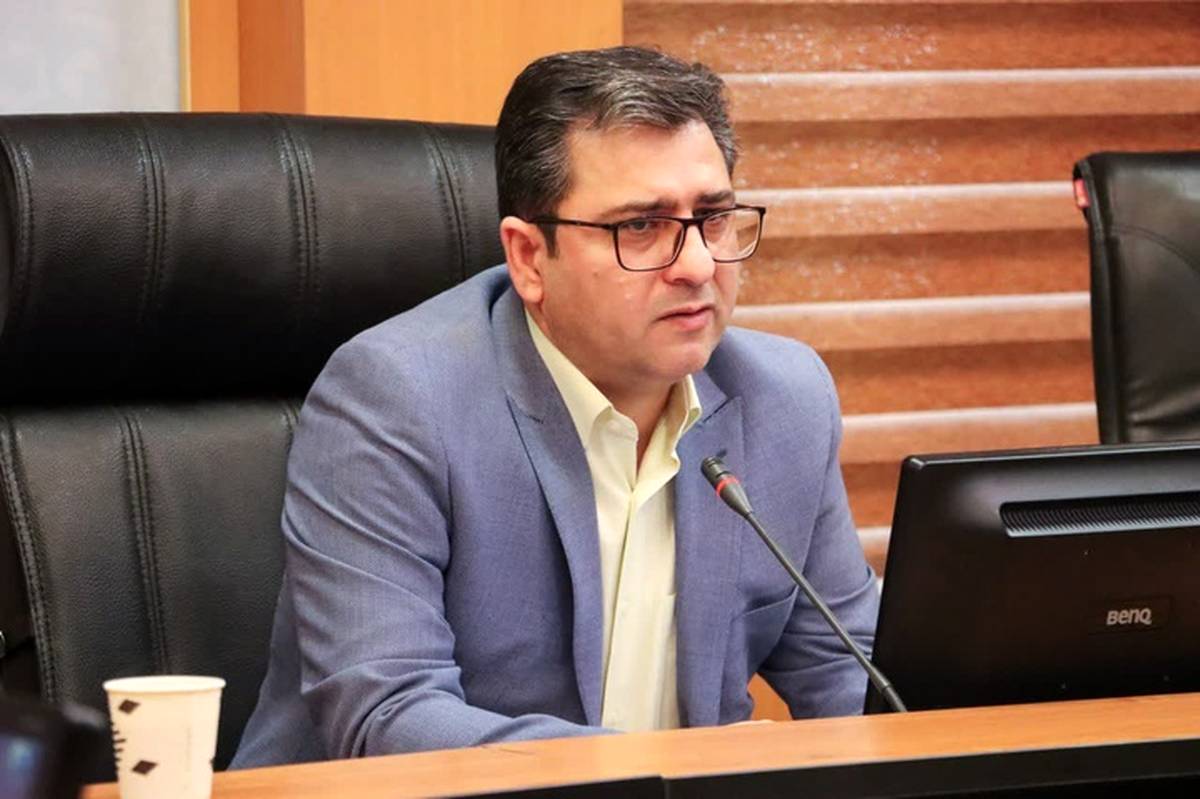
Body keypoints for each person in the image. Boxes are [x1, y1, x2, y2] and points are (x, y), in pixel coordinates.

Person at [232, 46, 878, 768]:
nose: (698, 265)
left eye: (713, 217)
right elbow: (389, 718)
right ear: (529, 258)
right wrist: (680, 772)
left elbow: (857, 675)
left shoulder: (783, 399)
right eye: (641, 227)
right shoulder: (396, 400)